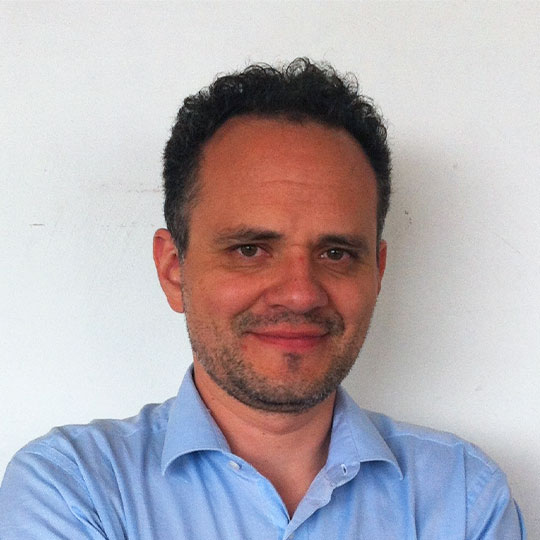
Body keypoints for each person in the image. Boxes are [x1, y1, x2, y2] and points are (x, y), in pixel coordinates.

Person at [0, 58, 525, 539]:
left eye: (337, 253)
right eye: (250, 249)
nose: (300, 292)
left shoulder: (462, 495)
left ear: (378, 272)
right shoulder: (75, 489)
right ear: (174, 269)